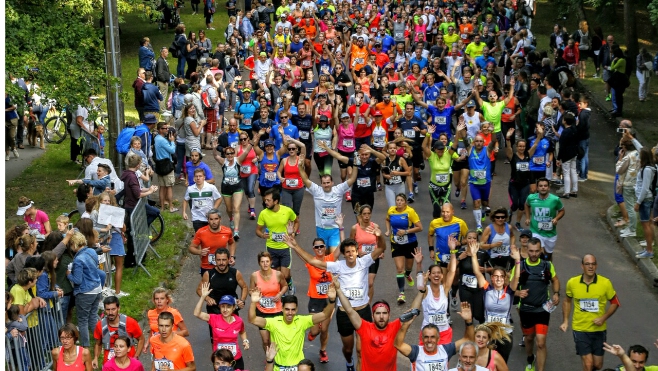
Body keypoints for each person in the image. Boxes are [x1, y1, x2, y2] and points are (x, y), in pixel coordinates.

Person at [287, 230, 387, 371]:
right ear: (344, 254)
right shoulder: (337, 266)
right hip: (344, 313)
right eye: (347, 252)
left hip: (362, 311)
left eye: (353, 251)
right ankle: (349, 362)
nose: (351, 254)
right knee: (348, 349)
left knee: (361, 350)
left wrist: (379, 235)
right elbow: (312, 261)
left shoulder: (364, 261)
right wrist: (295, 246)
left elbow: (382, 248)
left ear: (357, 252)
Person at [247, 284, 337, 370]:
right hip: (279, 367)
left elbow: (325, 315)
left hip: (298, 368)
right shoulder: (273, 322)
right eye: (287, 309)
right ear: (282, 308)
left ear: (297, 309)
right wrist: (253, 302)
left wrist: (332, 300)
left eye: (293, 309)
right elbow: (253, 319)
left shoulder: (302, 321)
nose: (290, 313)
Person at [560, 254, 620, 371]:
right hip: (580, 329)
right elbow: (567, 301)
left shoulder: (605, 283)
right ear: (582, 266)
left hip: (599, 330)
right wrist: (565, 321)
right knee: (588, 364)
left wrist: (603, 318)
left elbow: (615, 302)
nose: (590, 267)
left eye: (593, 264)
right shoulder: (572, 283)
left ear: (596, 266)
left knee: (597, 365)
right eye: (587, 264)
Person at [510, 237, 560, 371]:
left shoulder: (547, 265)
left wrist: (556, 293)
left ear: (541, 250)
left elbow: (555, 280)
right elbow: (510, 288)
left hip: (543, 309)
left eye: (537, 251)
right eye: (531, 251)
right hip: (526, 309)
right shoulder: (520, 266)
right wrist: (518, 293)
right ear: (527, 249)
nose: (533, 254)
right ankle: (530, 357)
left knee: (541, 343)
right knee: (529, 338)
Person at [469, 241, 521, 362]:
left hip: (505, 334)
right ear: (492, 278)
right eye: (495, 276)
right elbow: (477, 272)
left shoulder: (509, 291)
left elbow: (517, 278)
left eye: (501, 276)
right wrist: (473, 255)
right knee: (487, 363)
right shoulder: (487, 289)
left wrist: (518, 261)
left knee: (502, 363)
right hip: (489, 333)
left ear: (504, 279)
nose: (498, 279)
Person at [395, 295, 476, 371]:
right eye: (426, 337)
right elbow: (398, 344)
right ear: (422, 339)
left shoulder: (445, 350)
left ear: (438, 339)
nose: (429, 340)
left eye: (433, 337)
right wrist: (406, 325)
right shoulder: (416, 352)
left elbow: (468, 340)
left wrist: (468, 321)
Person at [194, 283, 250, 370]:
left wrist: (245, 341)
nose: (225, 309)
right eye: (222, 306)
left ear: (234, 308)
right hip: (220, 361)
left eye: (228, 307)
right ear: (219, 307)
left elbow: (242, 331)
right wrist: (203, 297)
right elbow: (196, 313)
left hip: (235, 358)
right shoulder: (214, 318)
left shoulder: (239, 321)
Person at [196, 247, 248, 337]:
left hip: (231, 308)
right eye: (218, 260)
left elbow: (244, 287)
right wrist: (207, 298)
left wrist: (242, 300)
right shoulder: (209, 274)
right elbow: (199, 290)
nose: (221, 263)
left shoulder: (235, 273)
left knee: (231, 336)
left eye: (224, 260)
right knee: (216, 338)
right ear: (215, 260)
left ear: (228, 260)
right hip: (215, 309)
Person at [256, 188, 300, 293]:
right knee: (276, 274)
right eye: (265, 200)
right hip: (271, 248)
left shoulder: (287, 211)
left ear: (275, 201)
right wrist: (262, 235)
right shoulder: (263, 213)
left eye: (268, 200)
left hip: (285, 247)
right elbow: (257, 230)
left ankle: (289, 282)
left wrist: (293, 232)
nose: (265, 202)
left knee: (285, 275)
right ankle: (281, 292)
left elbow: (297, 221)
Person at [66, 231, 104, 347]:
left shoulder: (78, 260)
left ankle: (85, 346)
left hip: (85, 292)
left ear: (74, 244)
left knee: (82, 321)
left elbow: (77, 280)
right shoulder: (92, 251)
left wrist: (68, 274)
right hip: (97, 288)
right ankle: (100, 342)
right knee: (93, 317)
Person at [386, 193, 423, 304]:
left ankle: (407, 274)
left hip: (410, 242)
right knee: (399, 268)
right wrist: (388, 230)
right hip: (396, 242)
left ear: (405, 202)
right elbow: (387, 220)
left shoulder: (410, 212)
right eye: (397, 200)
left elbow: (420, 227)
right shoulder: (391, 210)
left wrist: (406, 231)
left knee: (408, 267)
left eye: (401, 200)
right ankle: (401, 293)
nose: (399, 202)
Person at [248, 251, 288, 353]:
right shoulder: (254, 276)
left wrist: (279, 294)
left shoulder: (278, 274)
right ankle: (268, 358)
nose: (265, 264)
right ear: (259, 263)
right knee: (266, 341)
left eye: (267, 261)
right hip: (262, 312)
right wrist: (255, 295)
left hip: (277, 311)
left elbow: (285, 286)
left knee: (277, 339)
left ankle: (279, 357)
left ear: (271, 262)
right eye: (262, 262)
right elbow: (250, 290)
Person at [422, 123, 464, 218]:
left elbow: (455, 144)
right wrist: (428, 134)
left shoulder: (448, 154)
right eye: (439, 150)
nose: (441, 151)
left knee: (446, 209)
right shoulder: (431, 156)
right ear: (435, 149)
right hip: (434, 187)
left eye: (442, 149)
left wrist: (457, 131)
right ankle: (436, 227)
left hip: (446, 187)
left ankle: (446, 227)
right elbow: (424, 147)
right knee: (437, 209)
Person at [93, 296, 145, 369]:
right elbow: (98, 344)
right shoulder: (100, 325)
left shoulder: (130, 322)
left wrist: (136, 356)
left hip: (129, 364)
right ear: (104, 310)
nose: (110, 312)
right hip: (109, 366)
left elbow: (141, 339)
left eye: (113, 309)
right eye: (108, 310)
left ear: (118, 308)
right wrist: (95, 357)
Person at [524, 177, 565, 261]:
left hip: (550, 233)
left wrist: (556, 218)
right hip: (535, 231)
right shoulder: (531, 197)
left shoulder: (555, 199)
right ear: (537, 188)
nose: (543, 187)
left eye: (545, 186)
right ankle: (537, 270)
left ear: (548, 187)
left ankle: (548, 268)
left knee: (548, 255)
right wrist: (528, 218)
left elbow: (562, 211)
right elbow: (526, 205)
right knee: (539, 252)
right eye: (541, 186)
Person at [189, 209, 237, 274]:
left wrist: (231, 256)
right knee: (207, 284)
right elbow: (191, 248)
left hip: (223, 266)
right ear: (208, 220)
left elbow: (232, 243)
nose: (214, 222)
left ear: (220, 219)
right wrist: (199, 252)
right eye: (211, 219)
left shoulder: (227, 231)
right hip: (207, 267)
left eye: (216, 219)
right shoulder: (201, 232)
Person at [468, 130, 498, 233]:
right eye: (477, 141)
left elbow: (493, 141)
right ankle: (479, 225)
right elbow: (464, 138)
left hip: (486, 183)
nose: (479, 143)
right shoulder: (470, 150)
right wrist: (460, 130)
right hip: (474, 183)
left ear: (483, 142)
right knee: (476, 203)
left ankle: (483, 210)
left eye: (481, 141)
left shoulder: (487, 150)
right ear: (474, 142)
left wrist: (492, 131)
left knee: (485, 203)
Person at [146, 287, 189, 352]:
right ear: (154, 300)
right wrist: (147, 343)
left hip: (172, 348)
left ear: (167, 300)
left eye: (162, 298)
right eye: (157, 299)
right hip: (156, 349)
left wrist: (170, 334)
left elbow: (186, 332)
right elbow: (153, 330)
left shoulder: (174, 313)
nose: (159, 301)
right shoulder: (150, 313)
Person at [154, 122, 178, 213]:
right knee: (169, 187)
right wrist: (172, 141)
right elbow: (172, 150)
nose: (167, 130)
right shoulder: (163, 140)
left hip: (159, 164)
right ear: (160, 130)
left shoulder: (156, 138)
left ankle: (162, 208)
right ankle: (171, 207)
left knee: (162, 187)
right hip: (167, 165)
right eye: (165, 128)